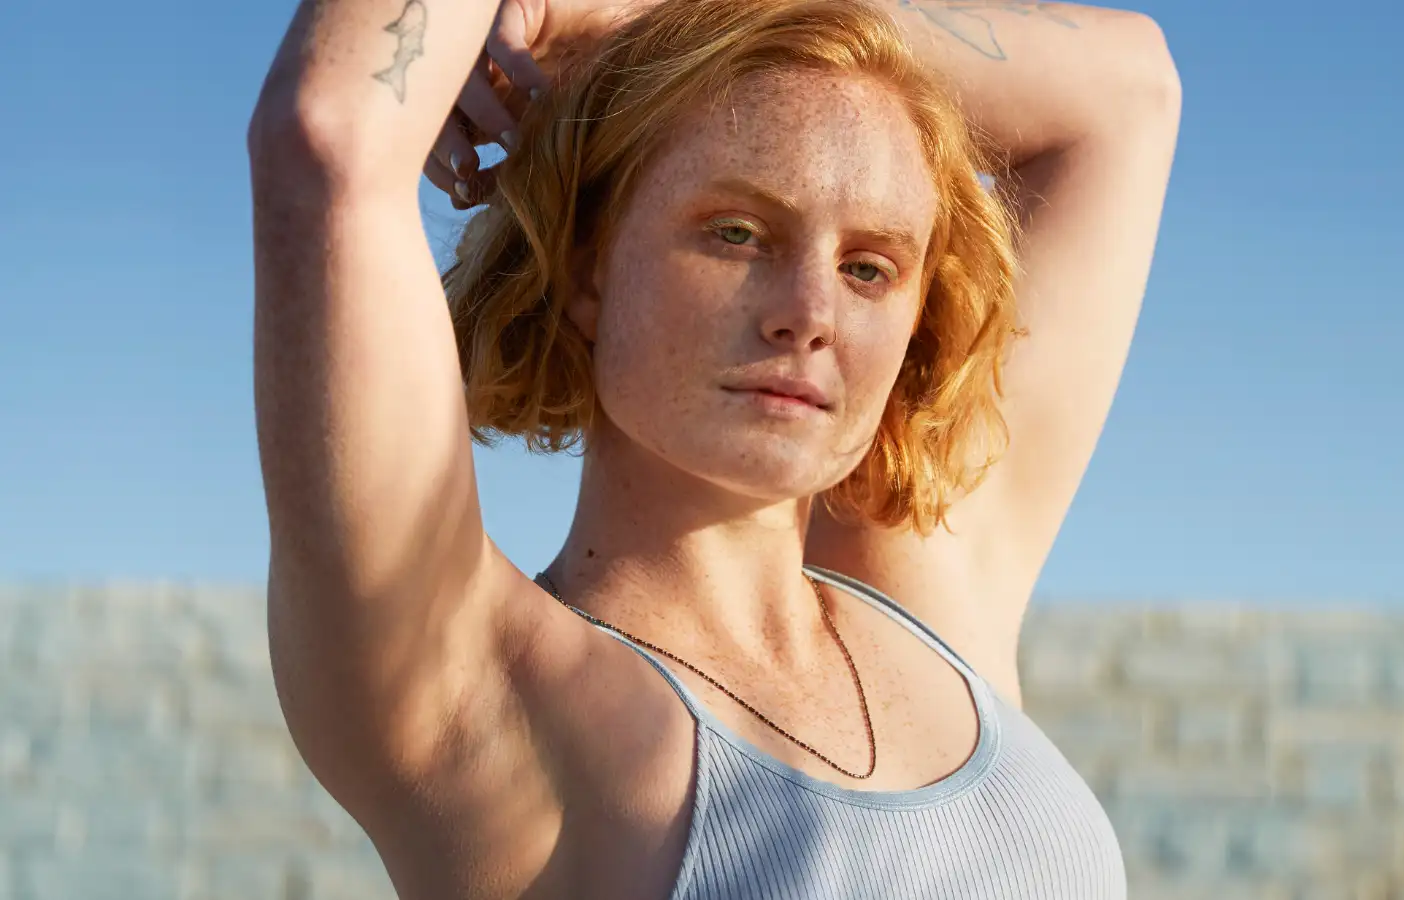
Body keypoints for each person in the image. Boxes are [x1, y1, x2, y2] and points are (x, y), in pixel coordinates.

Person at [247, 0, 1180, 896]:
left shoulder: (933, 604)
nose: (810, 316)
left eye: (868, 268)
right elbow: (326, 138)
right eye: (736, 234)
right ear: (587, 272)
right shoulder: (488, 697)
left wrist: (667, 18)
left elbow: (1130, 89)